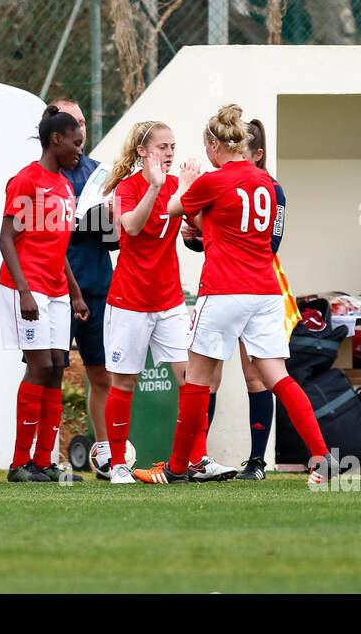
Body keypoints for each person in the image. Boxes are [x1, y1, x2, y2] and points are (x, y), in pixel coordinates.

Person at [134, 104, 337, 486]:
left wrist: (187, 180)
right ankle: (323, 458)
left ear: (214, 145)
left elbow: (172, 210)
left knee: (195, 378)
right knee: (278, 377)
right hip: (265, 291)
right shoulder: (268, 184)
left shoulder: (213, 181)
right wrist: (205, 223)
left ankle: (178, 467)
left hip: (225, 288)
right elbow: (243, 229)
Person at [180, 117, 295, 481]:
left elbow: (270, 244)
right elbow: (209, 234)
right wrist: (199, 234)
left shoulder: (272, 189)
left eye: (248, 150)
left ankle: (257, 461)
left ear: (257, 153)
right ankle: (199, 457)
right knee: (208, 377)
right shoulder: (224, 185)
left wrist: (202, 230)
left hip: (251, 287)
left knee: (256, 376)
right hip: (238, 285)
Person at [0, 106, 90, 482]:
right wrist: (24, 292)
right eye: (76, 142)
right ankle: (19, 463)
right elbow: (6, 239)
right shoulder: (27, 181)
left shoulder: (66, 186)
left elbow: (58, 246)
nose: (79, 151)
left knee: (56, 369)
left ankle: (42, 461)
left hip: (56, 290)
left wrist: (76, 292)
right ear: (56, 139)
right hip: (28, 286)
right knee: (38, 366)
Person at [99, 121, 191, 484]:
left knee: (191, 380)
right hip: (130, 300)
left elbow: (195, 225)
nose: (169, 154)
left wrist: (186, 192)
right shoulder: (129, 187)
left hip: (169, 301)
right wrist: (156, 187)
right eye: (162, 147)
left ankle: (192, 459)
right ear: (142, 152)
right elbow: (133, 227)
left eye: (173, 146)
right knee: (124, 383)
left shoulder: (176, 185)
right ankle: (118, 463)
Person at [52, 99, 117, 476]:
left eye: (82, 122)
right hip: (56, 290)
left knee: (101, 373)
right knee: (50, 372)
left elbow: (114, 241)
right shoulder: (43, 175)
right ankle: (46, 455)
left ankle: (105, 451)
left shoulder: (101, 175)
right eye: (71, 123)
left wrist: (109, 221)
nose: (79, 130)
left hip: (97, 288)